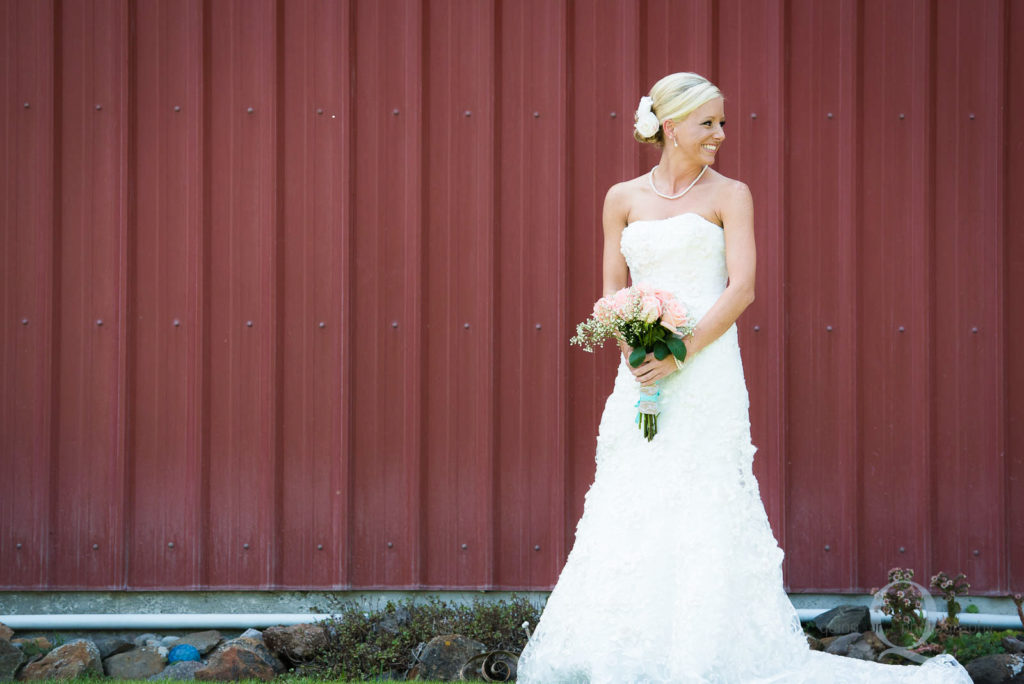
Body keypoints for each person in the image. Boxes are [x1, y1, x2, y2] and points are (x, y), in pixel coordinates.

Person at [515, 73, 971, 683]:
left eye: (723, 123)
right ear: (670, 125)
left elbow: (743, 288)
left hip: (705, 372)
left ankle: (704, 652)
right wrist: (632, 342)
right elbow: (611, 288)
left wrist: (680, 351)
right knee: (632, 487)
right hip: (641, 372)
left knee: (704, 493)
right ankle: (623, 646)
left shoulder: (731, 195)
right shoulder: (620, 197)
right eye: (708, 124)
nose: (720, 135)